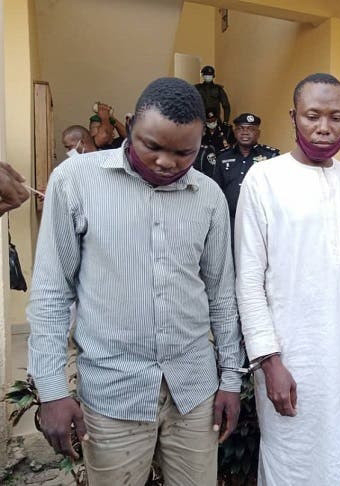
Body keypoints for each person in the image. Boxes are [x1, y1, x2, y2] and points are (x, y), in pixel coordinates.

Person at [27, 77, 245, 486]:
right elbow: (52, 293)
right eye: (152, 146)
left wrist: (231, 378)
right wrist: (52, 389)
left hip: (194, 391)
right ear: (129, 126)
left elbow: (221, 295)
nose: (166, 162)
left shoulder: (210, 197)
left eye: (184, 152)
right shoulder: (75, 181)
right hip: (113, 392)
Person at [235, 73, 340, 485]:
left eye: (336, 117)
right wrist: (269, 362)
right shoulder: (263, 180)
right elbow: (248, 280)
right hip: (292, 358)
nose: (324, 127)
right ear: (293, 117)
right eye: (312, 115)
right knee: (291, 460)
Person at [213, 112, 279, 231]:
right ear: (234, 132)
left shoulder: (270, 158)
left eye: (251, 129)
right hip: (229, 221)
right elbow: (216, 190)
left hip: (260, 222)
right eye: (240, 128)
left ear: (258, 133)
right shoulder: (223, 157)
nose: (245, 132)